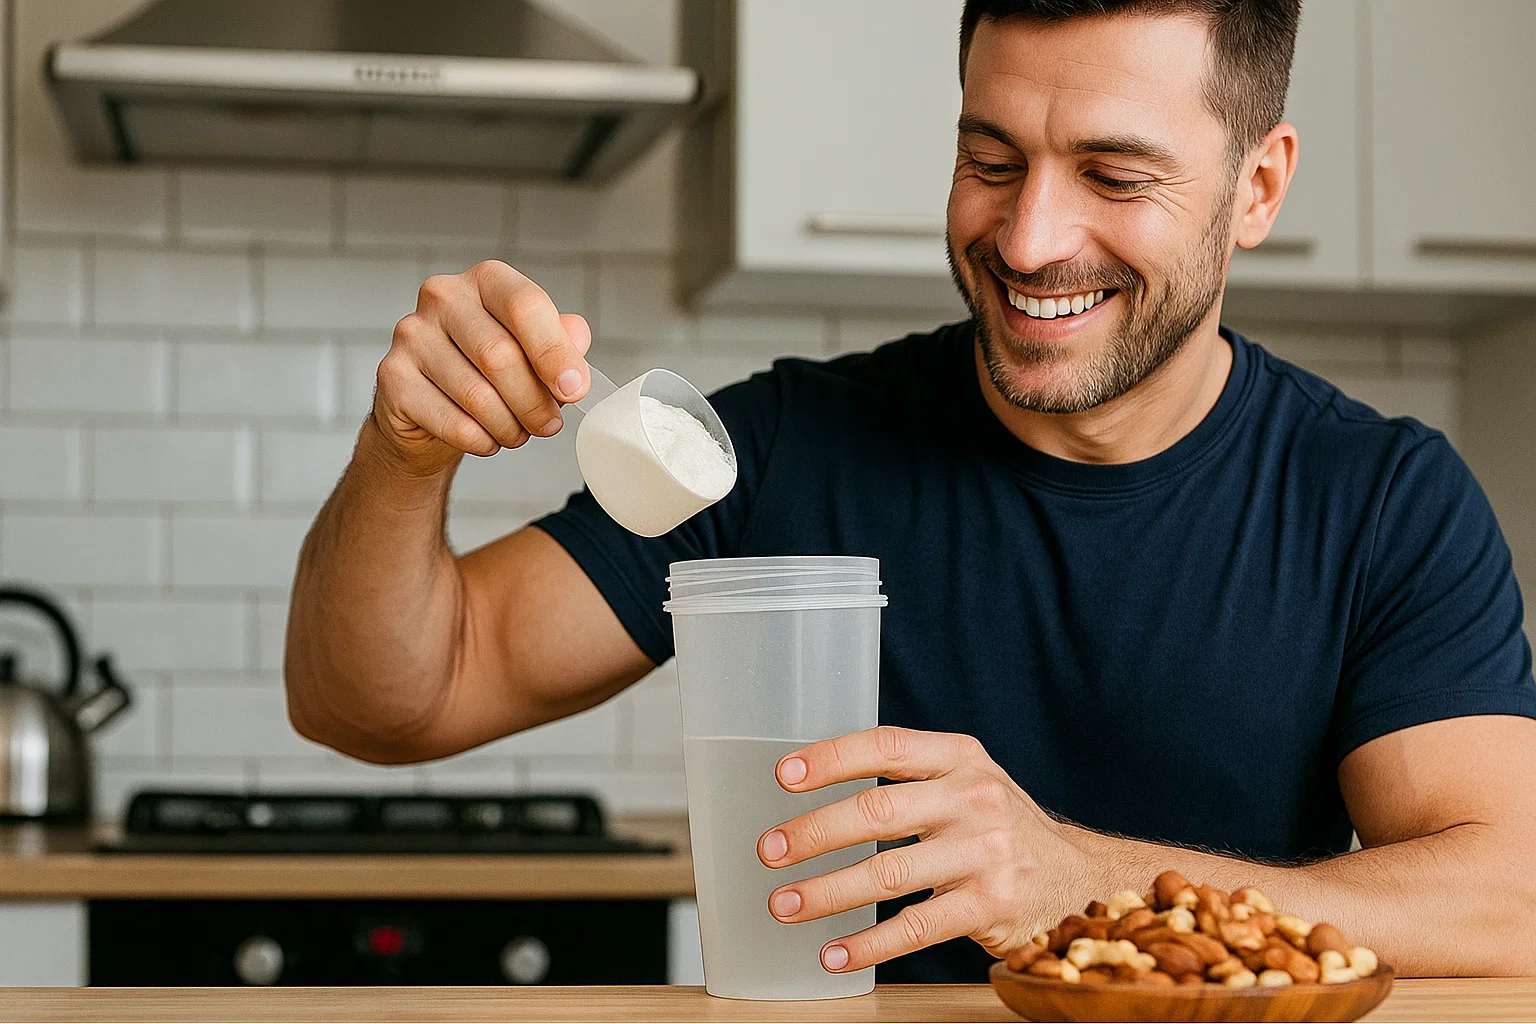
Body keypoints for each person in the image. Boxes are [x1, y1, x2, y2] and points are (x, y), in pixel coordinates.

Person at [285, 0, 1536, 982]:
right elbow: (390, 699)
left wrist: (1078, 876)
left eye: (1113, 176)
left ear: (1257, 186)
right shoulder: (778, 448)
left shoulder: (1379, 498)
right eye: (992, 158)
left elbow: (1511, 897)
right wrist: (405, 453)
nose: (1031, 237)